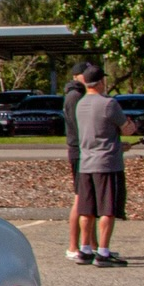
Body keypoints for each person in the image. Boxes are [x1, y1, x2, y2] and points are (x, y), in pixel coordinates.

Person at [75, 63, 138, 266]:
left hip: (86, 162)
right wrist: (131, 126)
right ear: (101, 82)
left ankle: (84, 248)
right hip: (107, 163)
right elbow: (126, 128)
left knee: (87, 209)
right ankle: (103, 251)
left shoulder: (80, 104)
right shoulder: (109, 104)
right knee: (107, 209)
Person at [63, 62, 90, 263]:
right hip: (79, 151)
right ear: (76, 76)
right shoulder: (74, 97)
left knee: (88, 199)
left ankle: (91, 245)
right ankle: (73, 246)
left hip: (84, 150)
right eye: (85, 74)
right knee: (80, 198)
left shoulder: (79, 95)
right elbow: (78, 126)